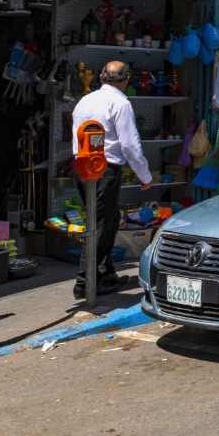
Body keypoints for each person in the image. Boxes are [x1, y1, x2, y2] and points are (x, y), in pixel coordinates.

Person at [69, 61, 153, 300]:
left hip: (82, 165)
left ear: (100, 77)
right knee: (100, 224)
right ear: (126, 81)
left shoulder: (85, 100)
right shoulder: (120, 103)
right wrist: (145, 176)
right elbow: (129, 145)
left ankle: (105, 273)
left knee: (109, 218)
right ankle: (85, 282)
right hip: (103, 168)